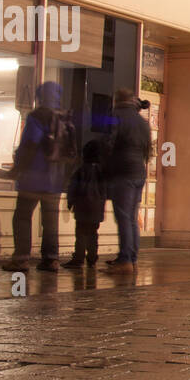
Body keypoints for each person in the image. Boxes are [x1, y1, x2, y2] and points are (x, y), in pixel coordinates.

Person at [2, 80, 73, 273]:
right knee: (50, 222)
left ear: (41, 96)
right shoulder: (64, 118)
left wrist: (17, 168)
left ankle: (21, 259)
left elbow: (29, 144)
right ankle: (51, 260)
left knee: (22, 217)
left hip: (33, 179)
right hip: (55, 181)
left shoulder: (37, 117)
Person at [103, 89, 151, 274]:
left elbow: (109, 142)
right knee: (131, 217)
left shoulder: (115, 115)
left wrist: (105, 165)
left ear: (117, 100)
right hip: (139, 171)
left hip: (122, 172)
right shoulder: (142, 122)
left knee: (123, 216)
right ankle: (132, 258)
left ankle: (125, 260)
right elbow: (147, 150)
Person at [63, 138, 108, 269]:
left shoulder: (81, 170)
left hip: (82, 205)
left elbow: (73, 187)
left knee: (81, 233)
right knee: (93, 233)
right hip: (96, 207)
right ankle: (92, 258)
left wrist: (70, 202)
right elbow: (104, 190)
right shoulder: (101, 172)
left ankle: (78, 258)